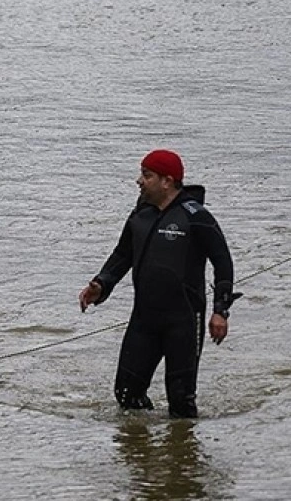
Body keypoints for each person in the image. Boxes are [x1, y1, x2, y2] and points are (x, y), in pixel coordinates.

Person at [77, 149, 239, 418]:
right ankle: (146, 452)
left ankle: (183, 456)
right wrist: (101, 284)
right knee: (126, 394)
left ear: (167, 181)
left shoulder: (196, 216)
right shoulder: (141, 214)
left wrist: (220, 311)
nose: (139, 181)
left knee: (181, 401)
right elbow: (122, 255)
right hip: (144, 319)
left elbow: (223, 262)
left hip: (185, 320)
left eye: (146, 175)